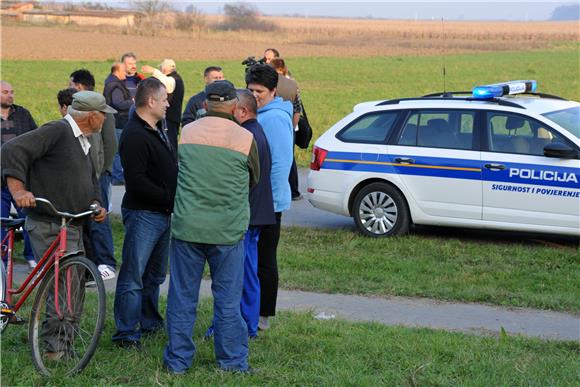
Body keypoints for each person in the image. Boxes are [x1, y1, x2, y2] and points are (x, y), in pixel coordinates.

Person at [1, 91, 111, 359]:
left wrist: (96, 201)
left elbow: (90, 178)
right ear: (93, 116)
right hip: (49, 223)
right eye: (104, 115)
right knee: (61, 286)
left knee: (72, 285)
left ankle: (66, 344)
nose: (106, 120)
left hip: (72, 224)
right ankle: (54, 349)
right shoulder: (58, 131)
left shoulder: (82, 140)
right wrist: (18, 192)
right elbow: (11, 149)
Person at [164, 80, 259, 374]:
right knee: (228, 301)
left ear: (205, 104)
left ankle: (177, 362)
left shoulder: (187, 132)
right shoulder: (245, 138)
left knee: (182, 297)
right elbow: (254, 178)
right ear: (233, 105)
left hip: (187, 227)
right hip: (227, 231)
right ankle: (232, 362)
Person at [112, 78, 177, 350]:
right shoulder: (136, 134)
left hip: (162, 213)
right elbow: (136, 181)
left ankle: (149, 322)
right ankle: (126, 333)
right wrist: (169, 198)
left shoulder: (156, 128)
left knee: (155, 275)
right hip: (144, 214)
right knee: (133, 275)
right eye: (164, 100)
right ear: (150, 101)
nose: (168, 104)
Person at [245, 65, 294, 330]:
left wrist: (269, 202)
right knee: (259, 257)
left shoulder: (273, 118)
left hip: (269, 202)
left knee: (264, 259)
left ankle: (263, 315)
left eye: (260, 91)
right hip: (261, 199)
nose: (255, 95)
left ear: (273, 91)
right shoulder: (263, 113)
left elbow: (280, 163)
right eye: (251, 90)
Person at [69, 69, 118, 280]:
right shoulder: (82, 113)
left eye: (72, 84)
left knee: (100, 220)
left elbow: (110, 144)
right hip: (88, 177)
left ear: (79, 86)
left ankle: (106, 262)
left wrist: (102, 171)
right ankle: (91, 263)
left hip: (98, 175)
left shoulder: (100, 111)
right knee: (88, 222)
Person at [1, 80, 37, 269]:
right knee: (2, 222)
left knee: (30, 217)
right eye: (5, 92)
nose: (10, 95)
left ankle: (32, 255)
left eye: (11, 92)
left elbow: (36, 138)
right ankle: (3, 262)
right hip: (0, 182)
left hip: (22, 178)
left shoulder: (22, 114)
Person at [270, 57, 303, 201]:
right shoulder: (293, 85)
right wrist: (292, 127)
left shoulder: (268, 83)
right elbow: (297, 109)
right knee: (289, 159)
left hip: (270, 124)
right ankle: (294, 191)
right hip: (289, 126)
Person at [142, 59, 184, 149]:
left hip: (170, 119)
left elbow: (168, 83)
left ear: (164, 69)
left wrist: (154, 71)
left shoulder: (173, 79)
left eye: (161, 68)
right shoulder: (177, 78)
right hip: (173, 118)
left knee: (169, 144)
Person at [104, 62, 133, 186]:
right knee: (118, 150)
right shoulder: (115, 85)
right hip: (119, 121)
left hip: (116, 120)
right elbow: (118, 103)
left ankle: (117, 176)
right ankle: (117, 176)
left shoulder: (111, 83)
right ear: (116, 71)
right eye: (123, 71)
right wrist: (132, 102)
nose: (125, 74)